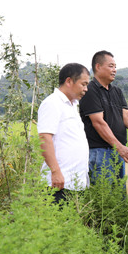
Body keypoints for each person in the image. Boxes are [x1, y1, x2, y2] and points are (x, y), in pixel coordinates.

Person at [79, 50, 128, 185]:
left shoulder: (116, 91)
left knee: (120, 193)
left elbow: (125, 114)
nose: (114, 70)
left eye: (115, 67)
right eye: (111, 66)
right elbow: (98, 123)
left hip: (118, 151)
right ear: (98, 67)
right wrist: (119, 147)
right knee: (104, 196)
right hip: (99, 152)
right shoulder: (90, 90)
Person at [38, 63, 90, 203]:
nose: (86, 89)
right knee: (56, 223)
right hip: (59, 183)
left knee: (71, 223)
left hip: (74, 183)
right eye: (83, 84)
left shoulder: (72, 105)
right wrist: (55, 172)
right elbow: (44, 138)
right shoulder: (52, 103)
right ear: (69, 81)